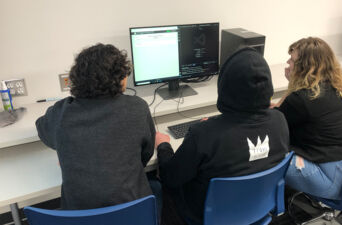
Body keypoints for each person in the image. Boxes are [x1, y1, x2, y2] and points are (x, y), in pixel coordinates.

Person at [155, 47, 290, 225]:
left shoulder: (204, 134)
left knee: (158, 185)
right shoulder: (279, 120)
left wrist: (163, 145)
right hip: (257, 209)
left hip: (205, 217)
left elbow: (170, 177)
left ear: (224, 87)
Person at [35, 43, 161, 212]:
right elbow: (145, 155)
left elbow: (43, 131)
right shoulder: (137, 107)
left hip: (79, 217)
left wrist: (68, 151)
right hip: (132, 214)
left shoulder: (61, 112)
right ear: (120, 78)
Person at [274, 37, 342, 199]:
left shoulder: (301, 98)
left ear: (305, 68)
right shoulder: (338, 86)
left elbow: (276, 126)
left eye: (292, 60)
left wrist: (291, 86)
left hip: (336, 184)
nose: (287, 62)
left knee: (267, 151)